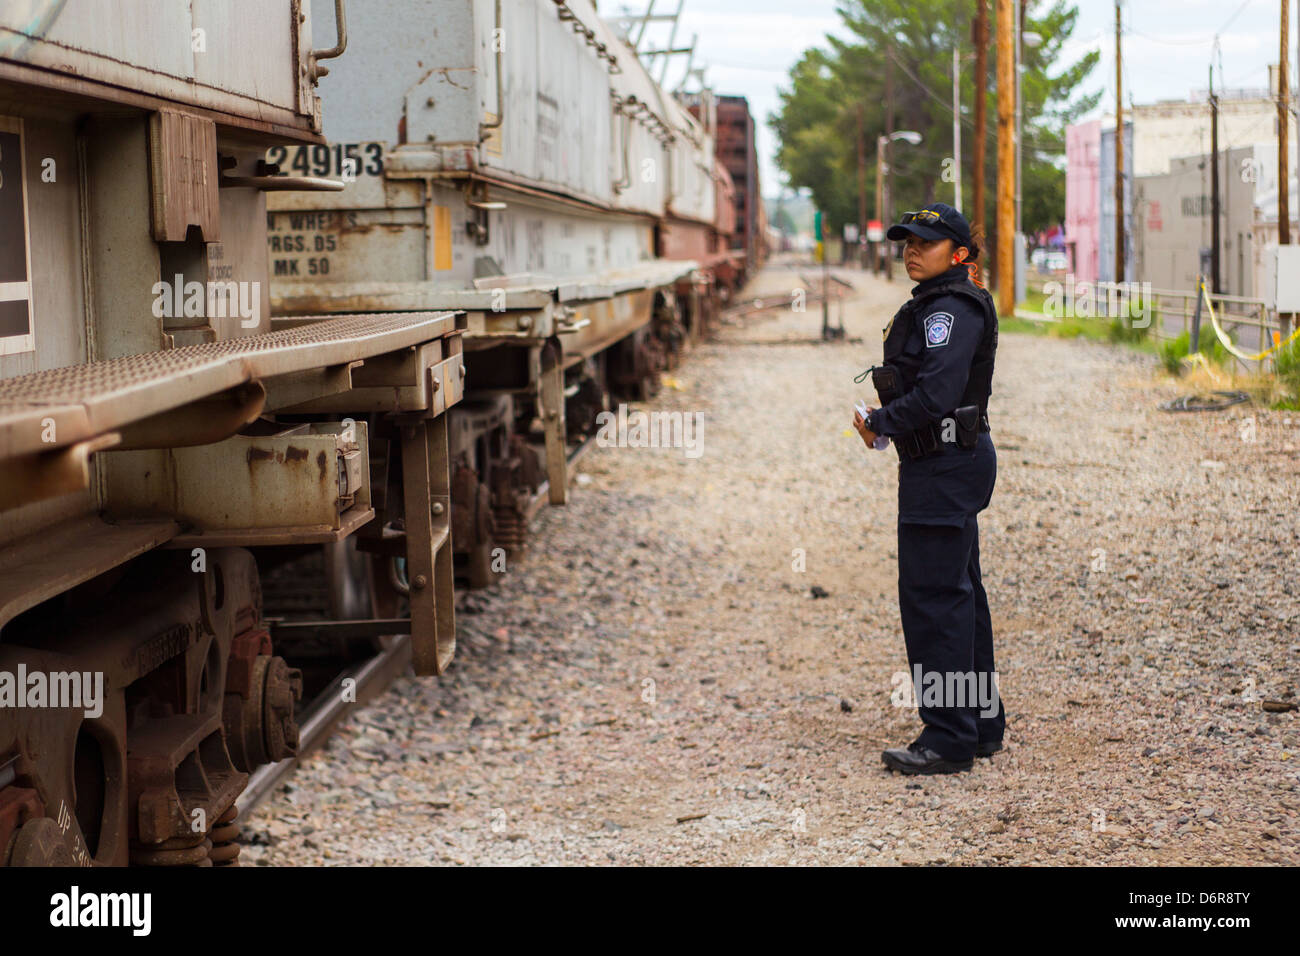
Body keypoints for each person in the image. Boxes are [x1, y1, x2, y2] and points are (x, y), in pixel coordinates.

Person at [852, 201, 1006, 775]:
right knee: (961, 592)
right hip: (946, 462)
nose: (910, 250)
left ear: (959, 253)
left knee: (934, 600)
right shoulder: (938, 304)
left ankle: (947, 739)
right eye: (906, 241)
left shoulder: (950, 310)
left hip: (943, 466)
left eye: (925, 242)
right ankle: (980, 724)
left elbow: (937, 395)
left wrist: (881, 423)